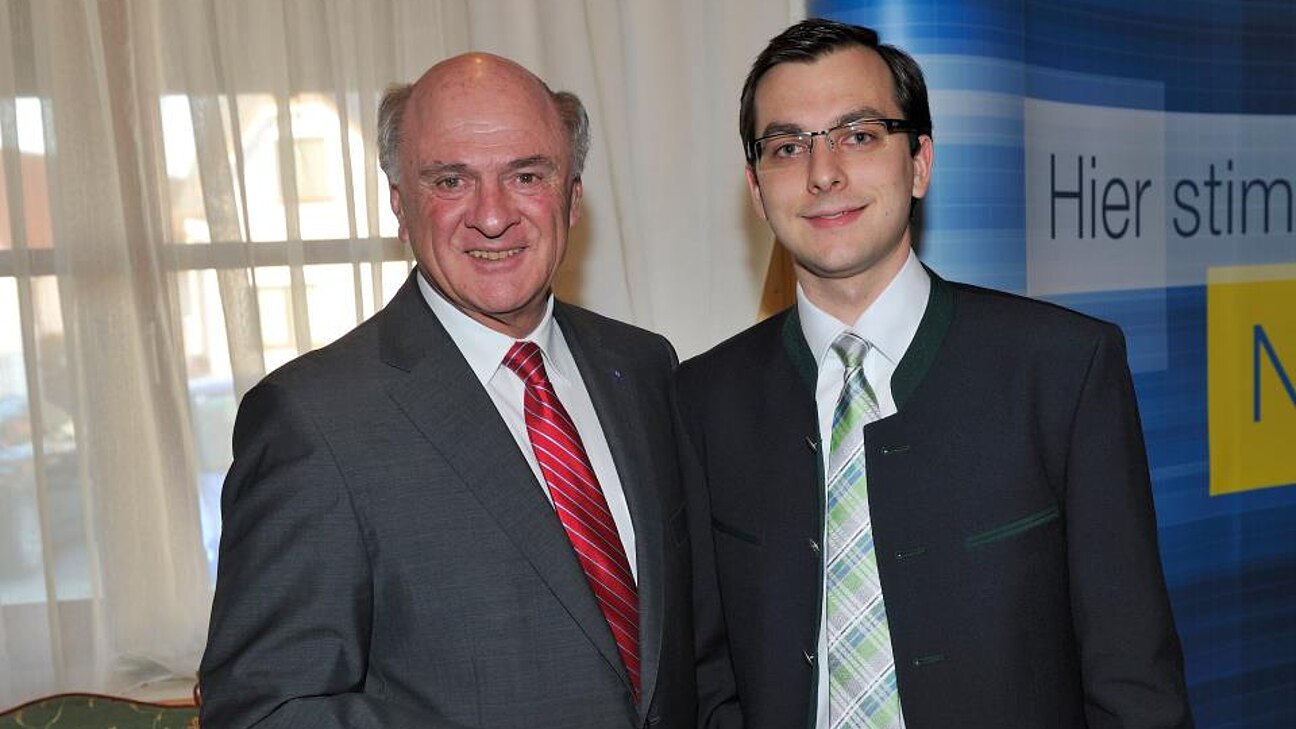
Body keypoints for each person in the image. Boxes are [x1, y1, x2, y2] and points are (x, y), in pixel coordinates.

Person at [676, 18, 1193, 729]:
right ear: (756, 187)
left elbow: (1134, 683)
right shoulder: (705, 399)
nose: (823, 173)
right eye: (788, 147)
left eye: (859, 135)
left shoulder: (1063, 371)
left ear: (919, 161)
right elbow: (707, 679)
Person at [200, 52, 735, 728]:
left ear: (572, 197)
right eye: (451, 181)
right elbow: (264, 712)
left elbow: (699, 658)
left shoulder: (645, 369)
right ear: (401, 205)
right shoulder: (314, 420)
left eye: (526, 176)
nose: (492, 215)